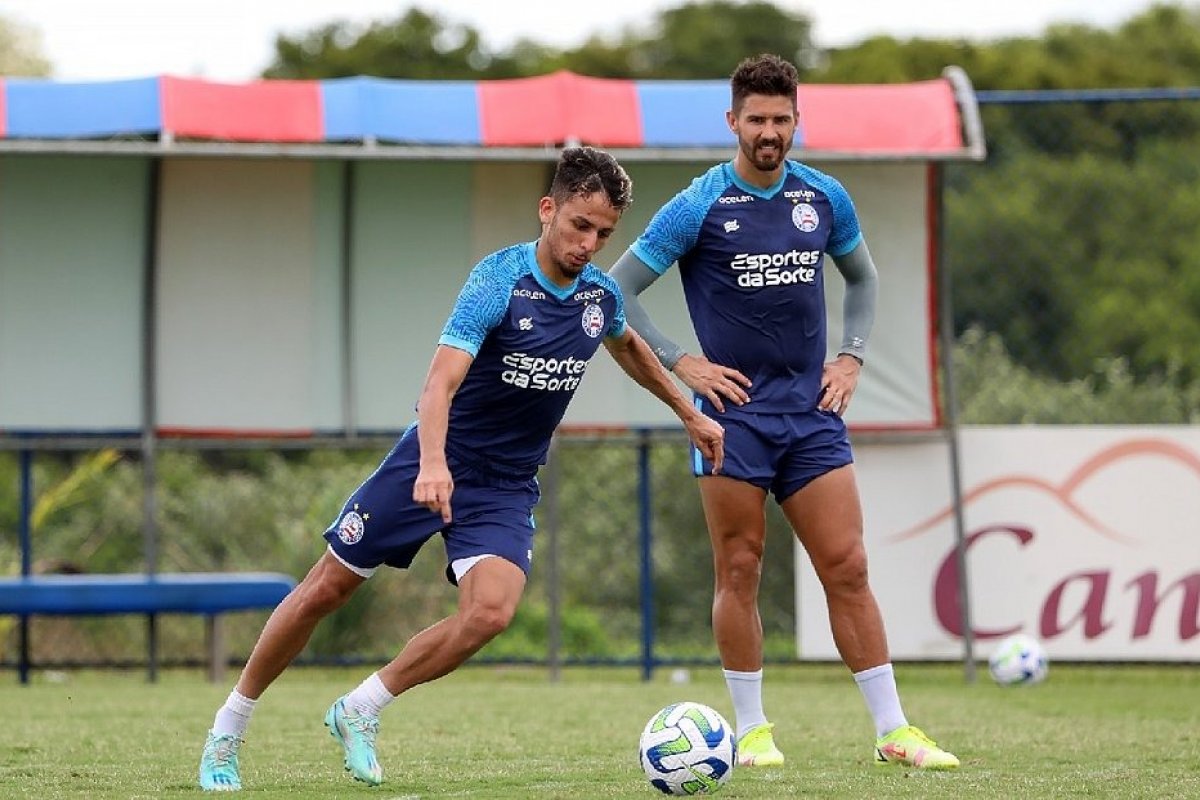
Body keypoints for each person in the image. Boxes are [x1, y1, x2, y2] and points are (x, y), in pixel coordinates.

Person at [198, 145, 725, 792]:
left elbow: (629, 347)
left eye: (603, 233)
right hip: (435, 458)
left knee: (491, 614)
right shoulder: (498, 281)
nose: (589, 243)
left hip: (504, 486)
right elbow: (438, 387)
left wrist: (689, 412)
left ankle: (360, 708)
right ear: (547, 208)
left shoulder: (598, 297)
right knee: (324, 590)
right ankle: (228, 729)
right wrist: (430, 465)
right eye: (578, 226)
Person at [607, 54, 959, 771]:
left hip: (811, 415)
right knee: (739, 567)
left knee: (848, 566)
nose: (769, 131)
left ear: (798, 120)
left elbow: (863, 276)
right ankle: (753, 731)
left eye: (781, 118)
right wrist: (681, 360)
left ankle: (894, 729)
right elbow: (620, 290)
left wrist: (853, 355)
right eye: (756, 119)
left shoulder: (824, 198)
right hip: (731, 419)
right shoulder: (698, 204)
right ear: (732, 122)